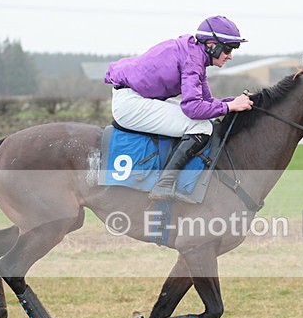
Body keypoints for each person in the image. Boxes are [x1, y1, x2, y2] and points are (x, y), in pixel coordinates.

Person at [104, 15, 254, 200]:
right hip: (130, 104)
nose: (230, 56)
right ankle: (164, 185)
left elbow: (207, 101)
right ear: (212, 45)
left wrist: (235, 103)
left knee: (205, 119)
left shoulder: (194, 54)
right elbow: (193, 108)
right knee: (201, 126)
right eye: (228, 49)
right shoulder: (193, 60)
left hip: (134, 97)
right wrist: (230, 106)